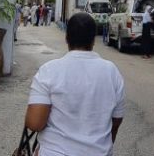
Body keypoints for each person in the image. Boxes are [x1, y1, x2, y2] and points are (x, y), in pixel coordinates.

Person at [25, 12, 125, 156]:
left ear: (66, 38)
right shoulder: (112, 72)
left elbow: (35, 123)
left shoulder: (49, 71)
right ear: (93, 40)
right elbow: (116, 121)